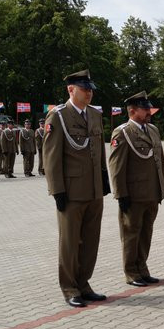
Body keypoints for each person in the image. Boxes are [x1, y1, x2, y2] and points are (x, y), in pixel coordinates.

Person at [43, 69, 110, 308]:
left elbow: (99, 150)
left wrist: (104, 178)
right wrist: (57, 190)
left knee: (91, 241)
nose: (89, 93)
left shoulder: (94, 114)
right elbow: (51, 157)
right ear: (71, 90)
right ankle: (70, 288)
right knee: (70, 243)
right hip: (71, 192)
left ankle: (84, 284)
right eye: (85, 88)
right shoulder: (58, 116)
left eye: (90, 88)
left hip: (93, 190)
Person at [109, 91, 164, 287]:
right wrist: (120, 194)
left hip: (151, 193)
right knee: (131, 235)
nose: (149, 111)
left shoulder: (153, 130)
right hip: (133, 195)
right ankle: (131, 272)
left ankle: (142, 268)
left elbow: (160, 162)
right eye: (144, 108)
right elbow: (116, 166)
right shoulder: (122, 132)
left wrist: (161, 188)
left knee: (145, 234)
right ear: (132, 111)